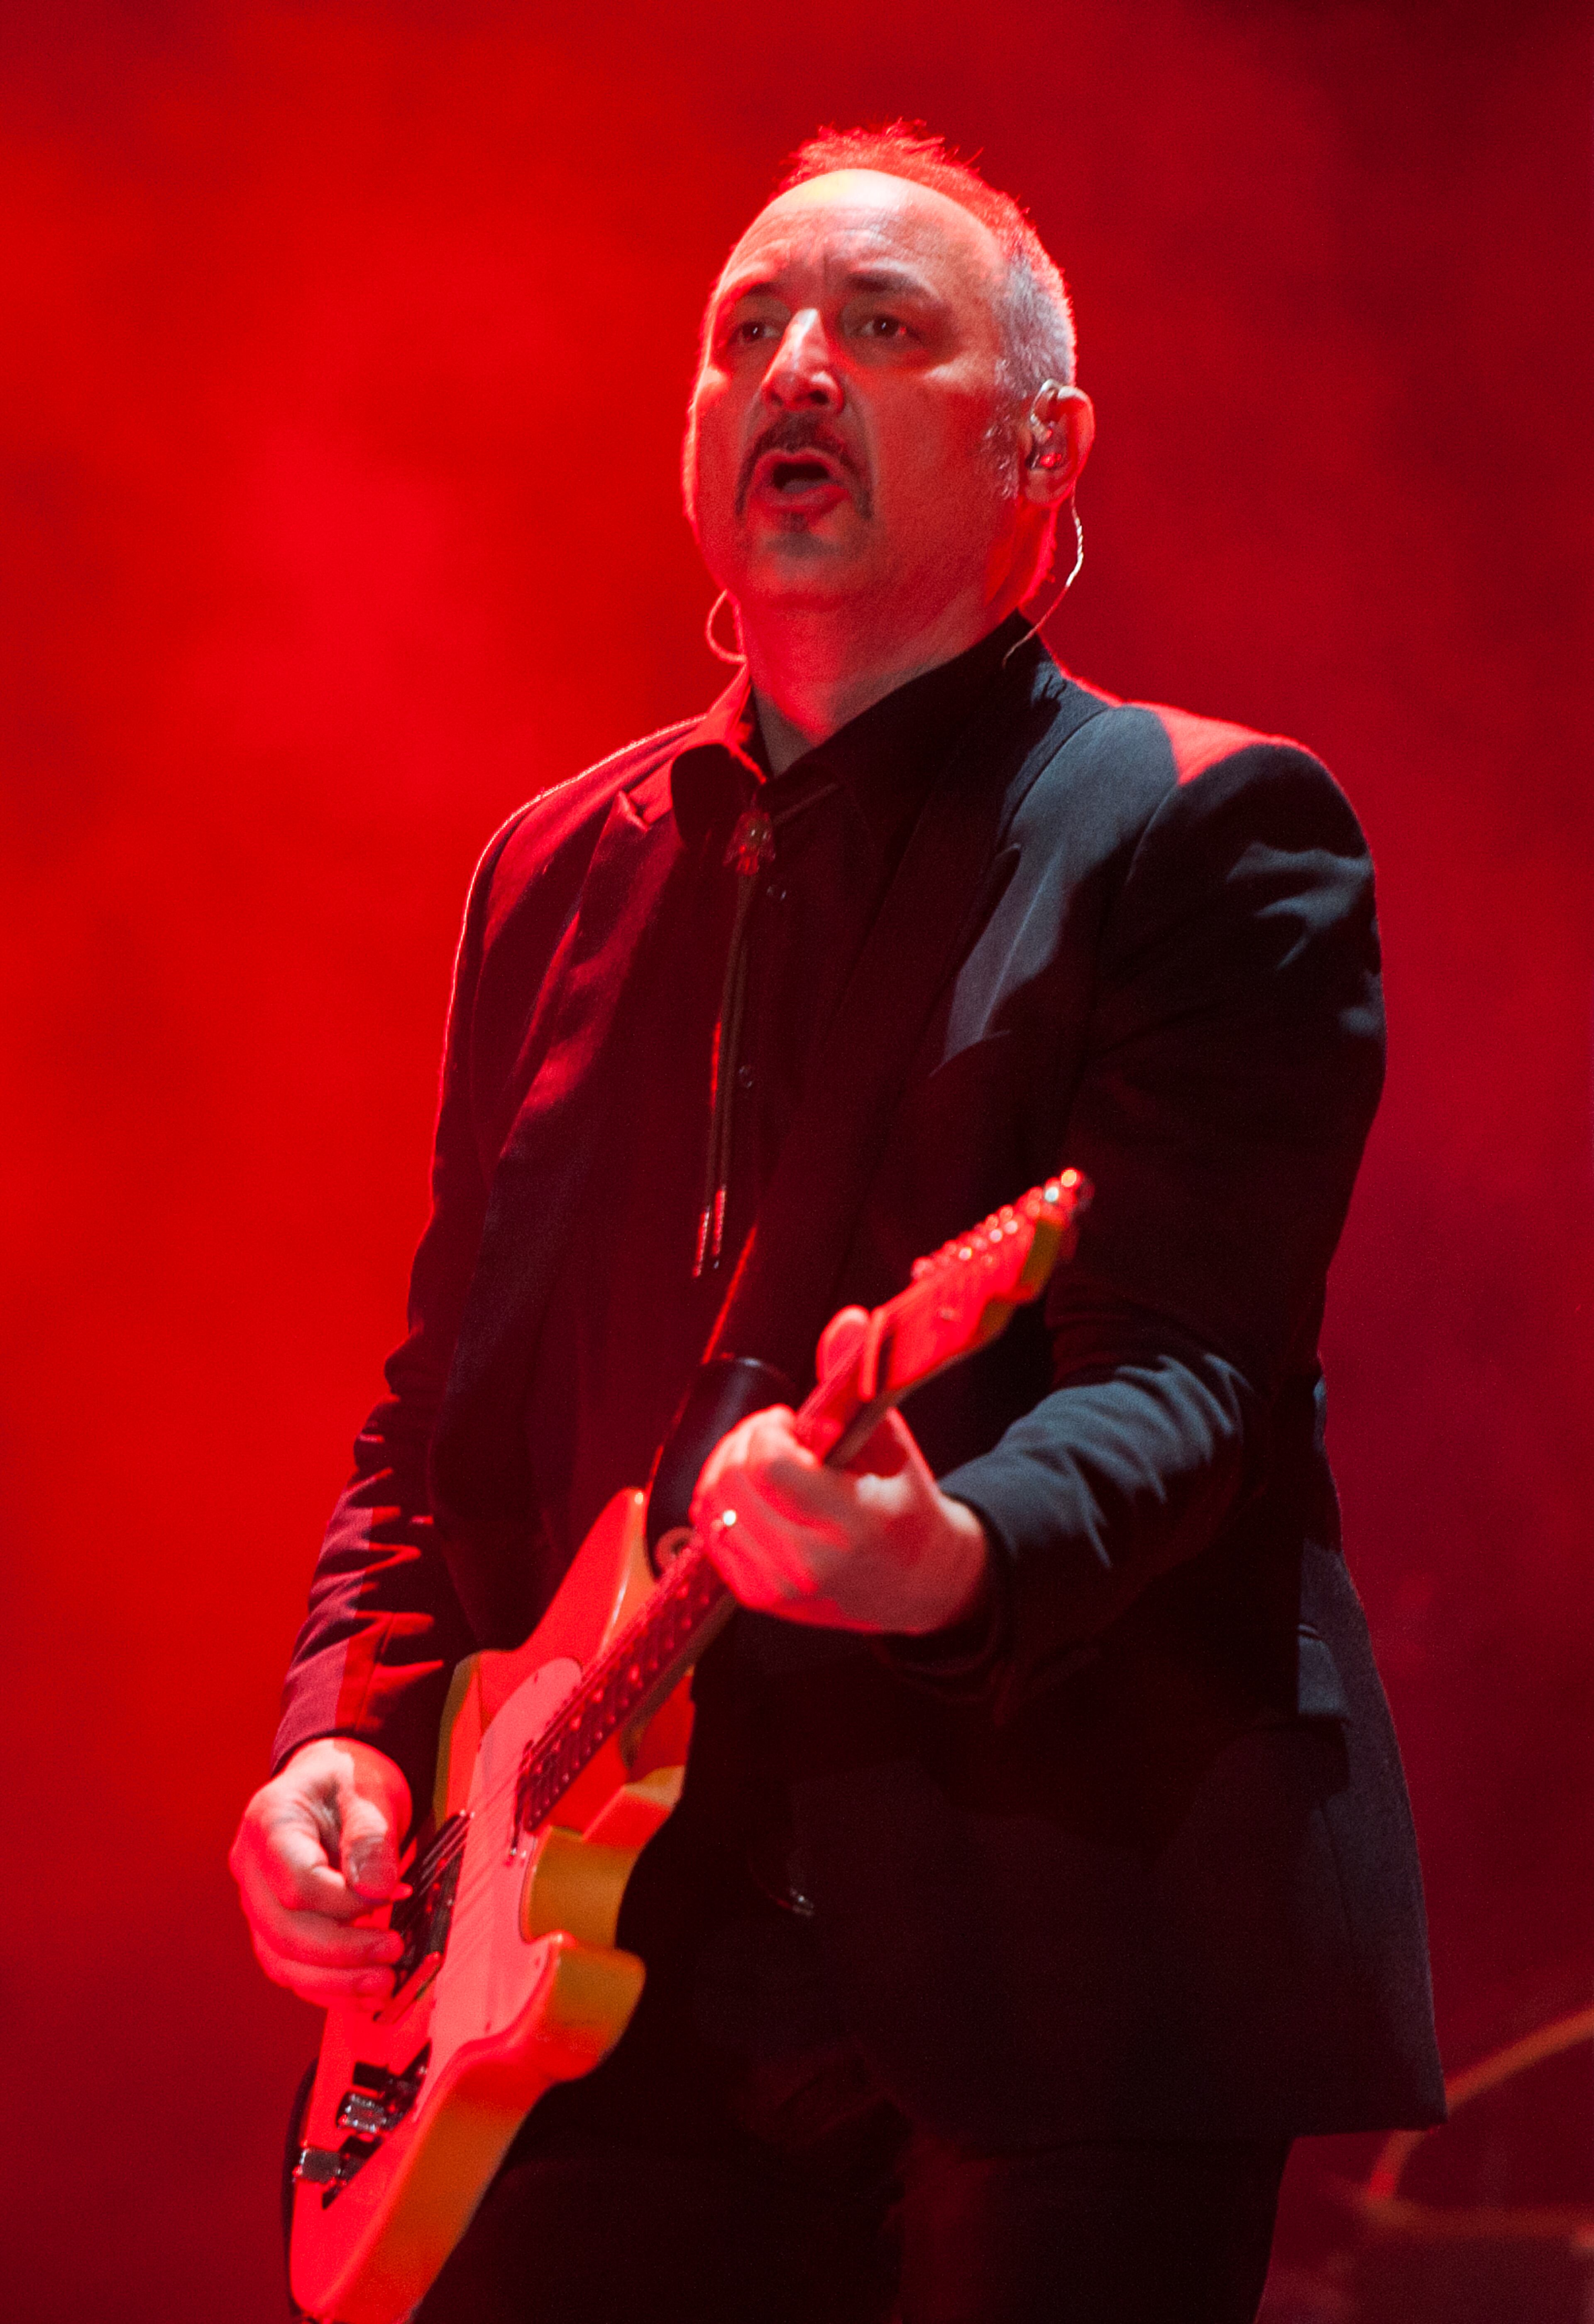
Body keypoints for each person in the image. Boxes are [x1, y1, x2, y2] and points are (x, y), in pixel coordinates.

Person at [230, 125, 1444, 2323]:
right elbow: (447, 1416)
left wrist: (952, 1555)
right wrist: (342, 1718)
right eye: (751, 331)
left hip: (1058, 1945)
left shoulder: (1205, 833)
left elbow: (1189, 1373)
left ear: (1042, 451)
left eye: (885, 329)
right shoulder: (553, 873)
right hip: (599, 1980)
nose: (800, 365)